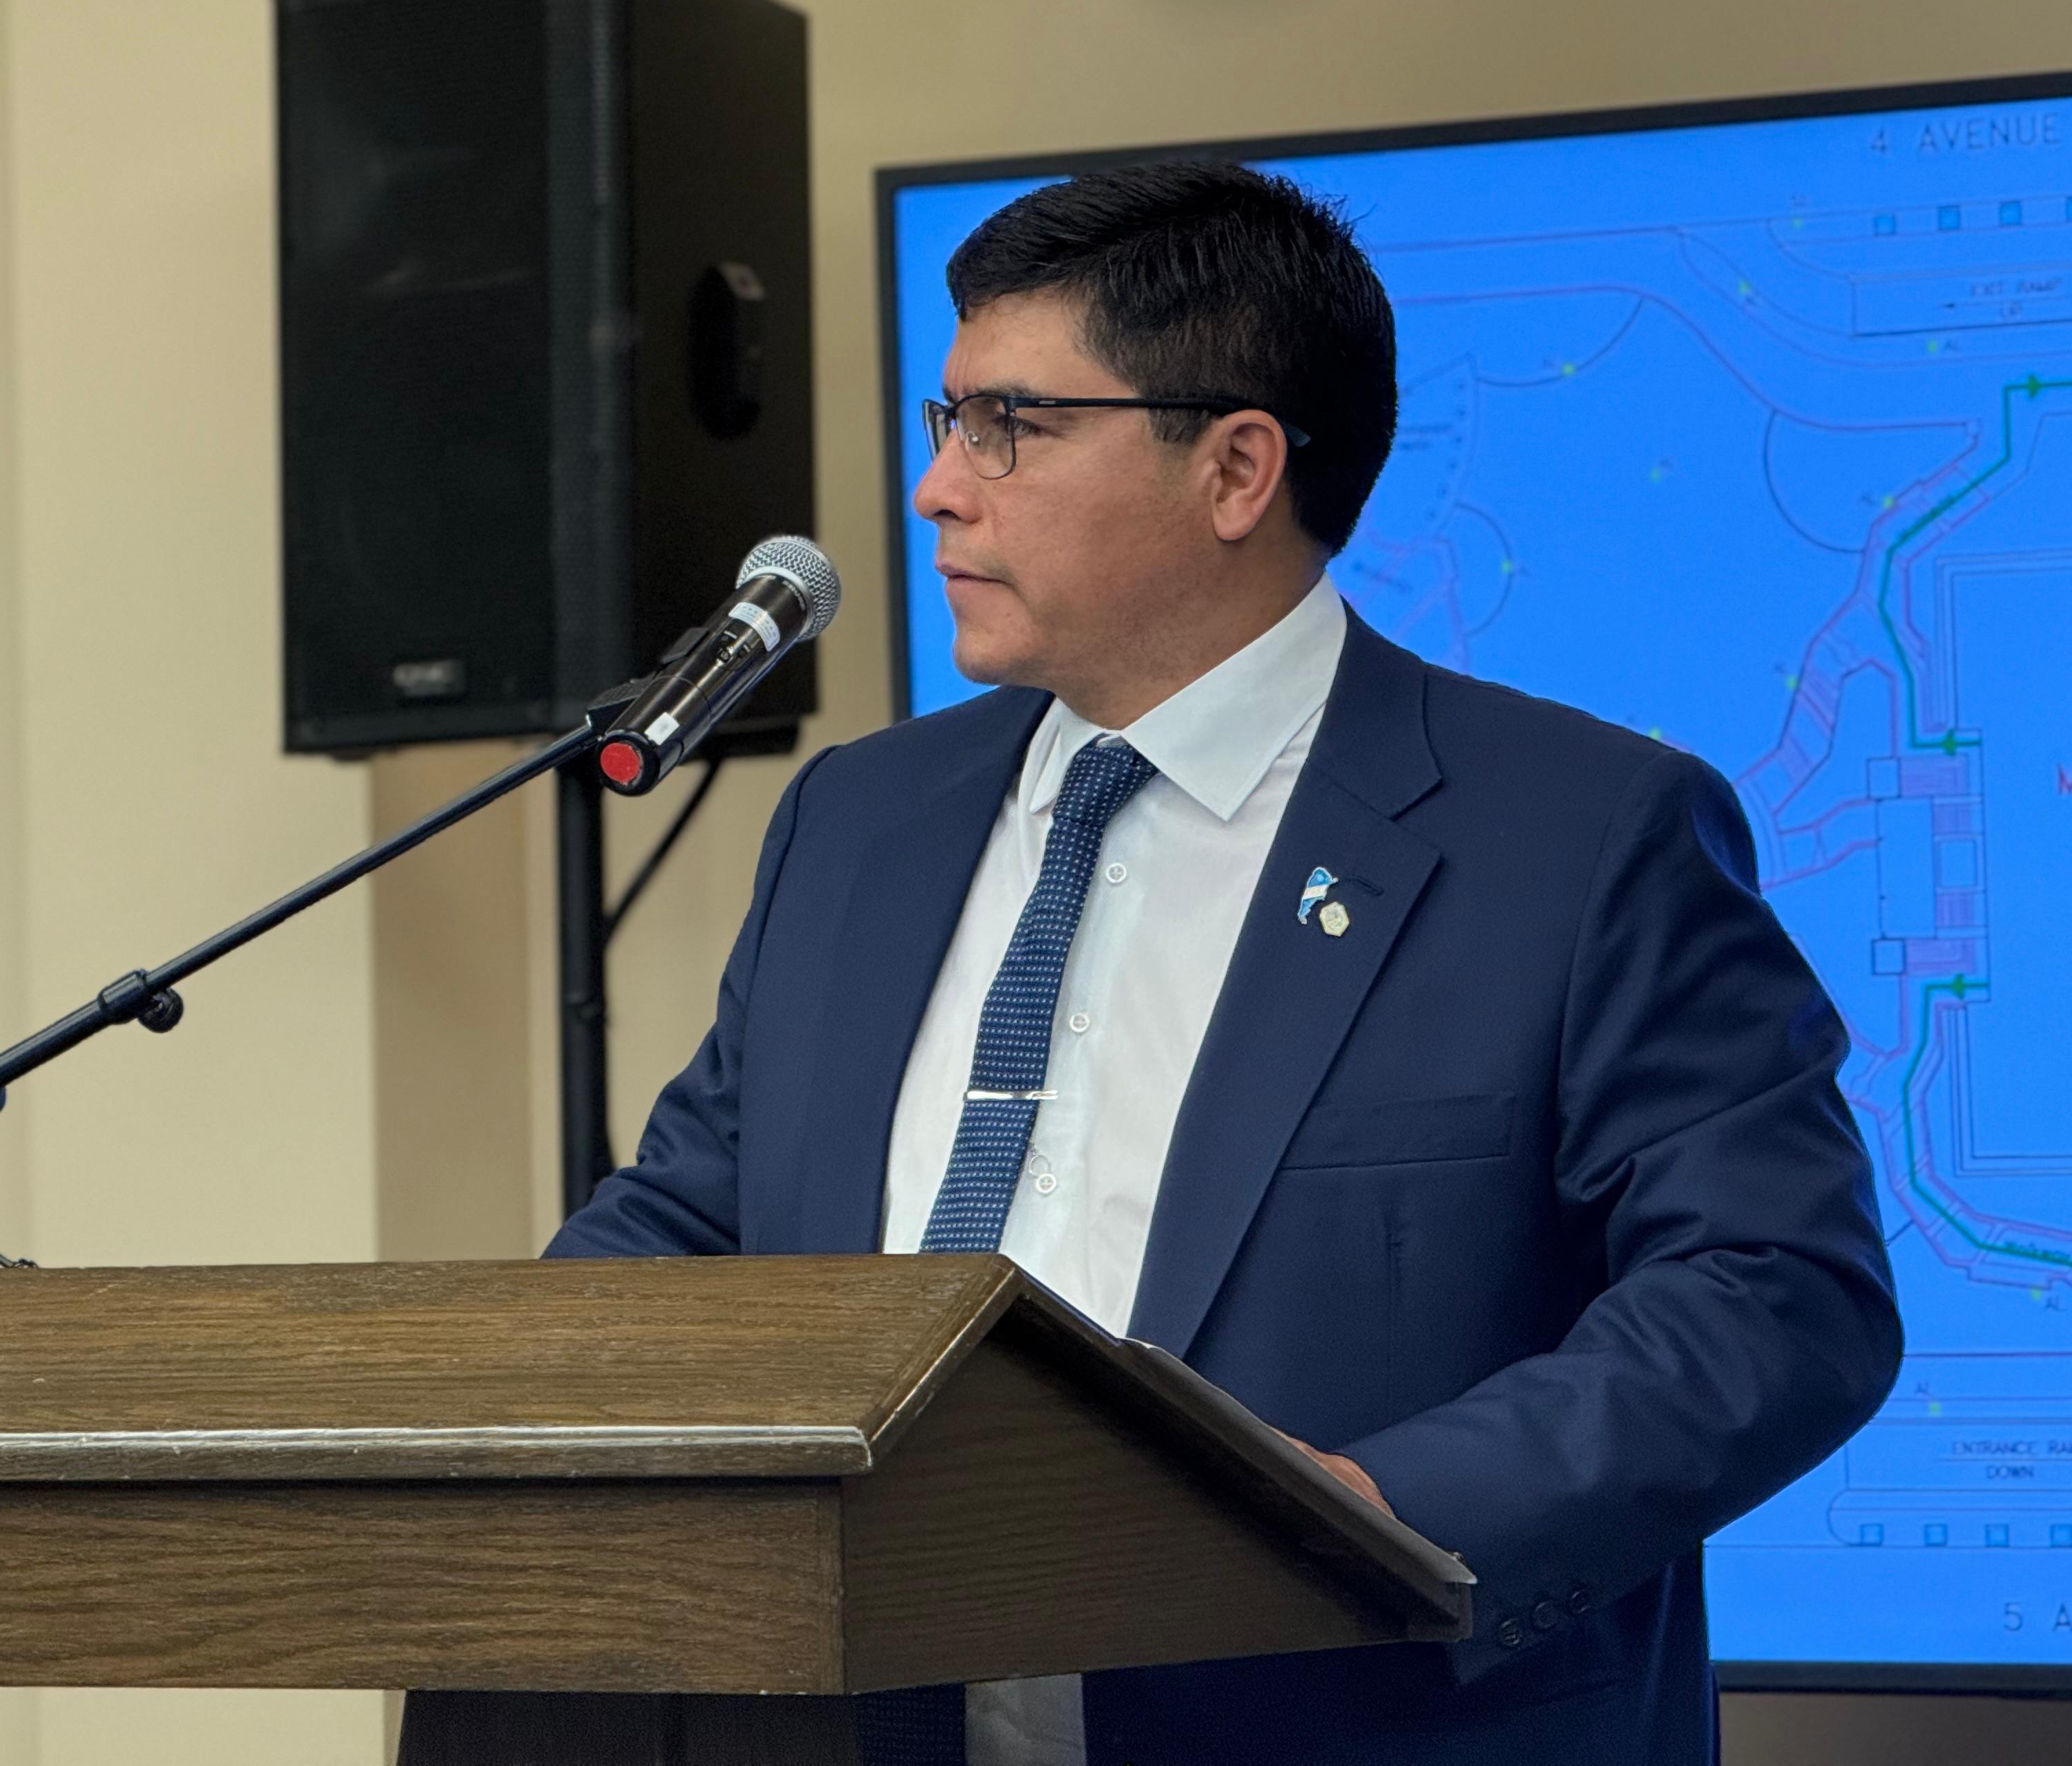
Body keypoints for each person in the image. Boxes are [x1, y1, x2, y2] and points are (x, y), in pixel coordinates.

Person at [548, 162, 1901, 1765]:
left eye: (1010, 426)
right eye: (946, 421)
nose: (937, 490)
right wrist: (498, 1404)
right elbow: (695, 1222)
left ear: (1237, 469)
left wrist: (1368, 1516)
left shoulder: (1581, 834)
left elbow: (1773, 1292)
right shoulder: (859, 819)